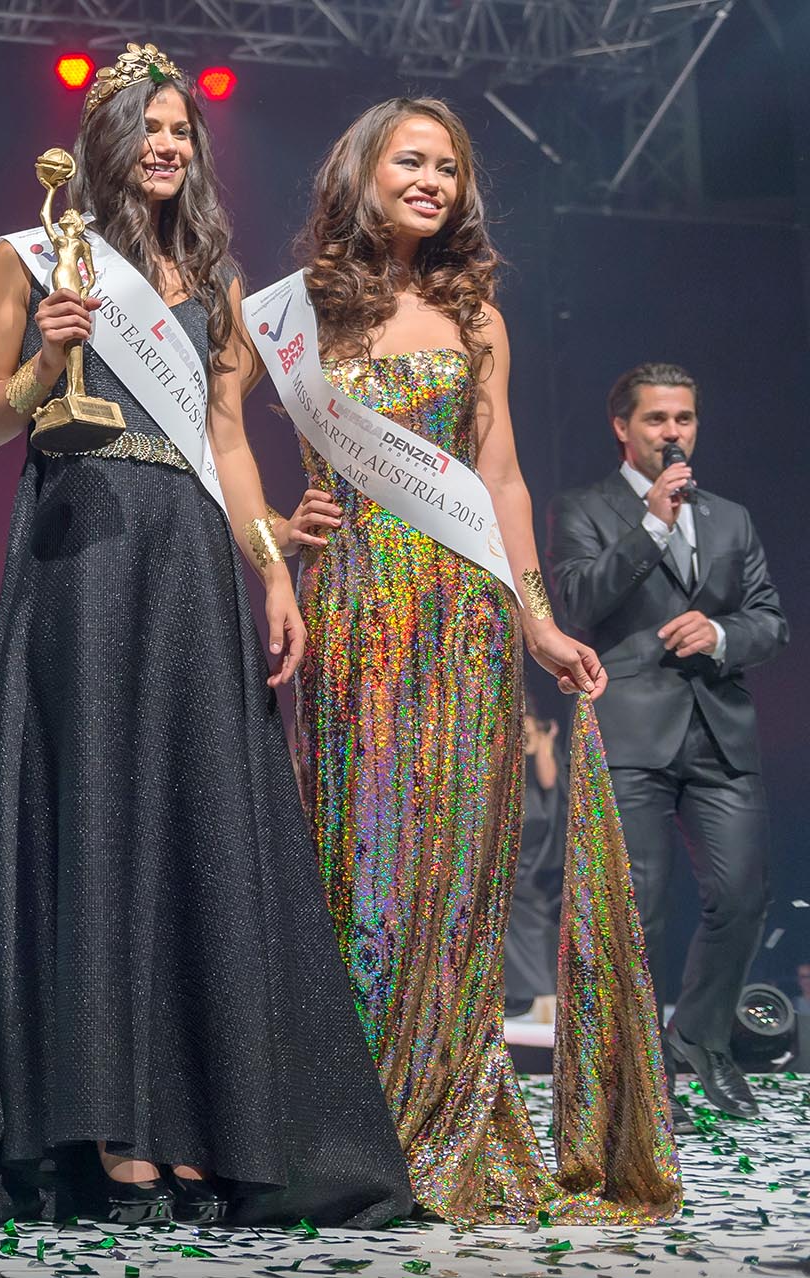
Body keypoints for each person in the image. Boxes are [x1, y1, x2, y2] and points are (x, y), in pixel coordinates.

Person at [0, 45, 411, 1230]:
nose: (167, 146)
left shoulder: (212, 278)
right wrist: (46, 362)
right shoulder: (27, 256)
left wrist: (273, 567)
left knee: (195, 826)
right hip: (86, 552)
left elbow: (226, 443)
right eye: (148, 128)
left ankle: (211, 1119)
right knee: (102, 818)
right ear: (106, 141)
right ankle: (110, 1129)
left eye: (180, 132)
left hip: (191, 558)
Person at [279, 97, 679, 1223]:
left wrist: (538, 619)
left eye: (448, 168)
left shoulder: (477, 315)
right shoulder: (299, 309)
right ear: (361, 171)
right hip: (356, 609)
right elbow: (228, 432)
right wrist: (277, 533)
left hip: (462, 619)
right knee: (360, 864)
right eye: (410, 161)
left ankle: (446, 1117)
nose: (431, 182)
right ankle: (350, 1123)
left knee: (456, 872)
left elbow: (499, 477)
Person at [547, 361, 787, 1122]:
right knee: (639, 909)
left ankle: (702, 1039)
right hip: (632, 731)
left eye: (684, 419)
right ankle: (644, 1071)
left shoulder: (730, 518)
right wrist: (650, 526)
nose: (673, 432)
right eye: (657, 419)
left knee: (742, 896)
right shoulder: (583, 508)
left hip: (720, 730)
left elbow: (771, 620)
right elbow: (575, 600)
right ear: (623, 427)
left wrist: (720, 632)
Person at [503, 709, 566, 1022]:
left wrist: (543, 742)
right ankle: (517, 990)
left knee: (534, 915)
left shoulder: (540, 739)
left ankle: (542, 990)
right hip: (510, 824)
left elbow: (549, 779)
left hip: (535, 833)